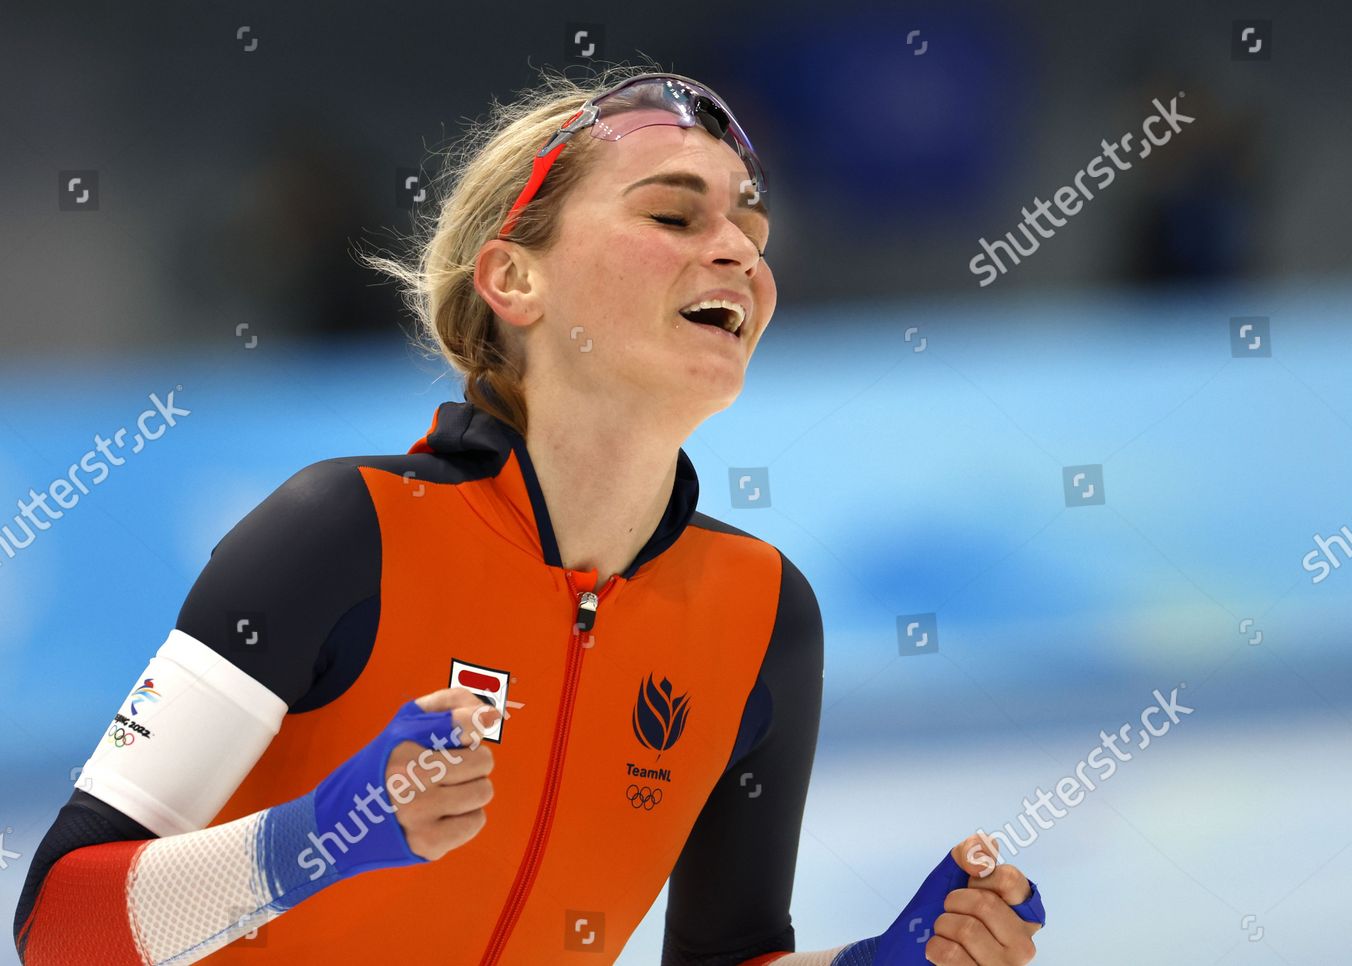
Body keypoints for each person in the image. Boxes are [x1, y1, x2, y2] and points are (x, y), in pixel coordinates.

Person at [11, 65, 1044, 965]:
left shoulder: (765, 613)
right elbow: (59, 927)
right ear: (514, 278)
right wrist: (322, 836)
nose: (737, 251)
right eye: (676, 215)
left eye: (750, 226)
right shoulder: (340, 534)